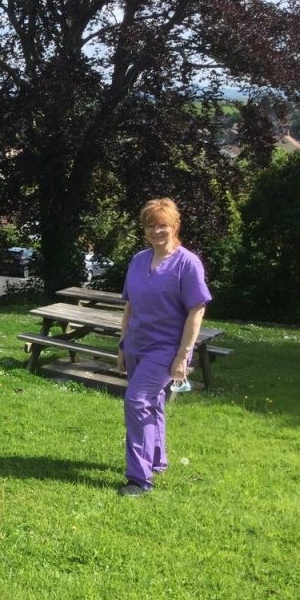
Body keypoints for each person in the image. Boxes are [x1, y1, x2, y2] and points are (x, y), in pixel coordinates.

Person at [117, 198, 210, 496]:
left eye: (162, 225)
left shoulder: (188, 263)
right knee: (152, 402)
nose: (156, 231)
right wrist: (122, 343)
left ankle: (139, 479)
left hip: (166, 348)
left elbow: (197, 311)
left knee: (136, 401)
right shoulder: (138, 260)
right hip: (136, 344)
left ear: (175, 226)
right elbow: (130, 305)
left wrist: (183, 356)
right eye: (150, 225)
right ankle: (156, 460)